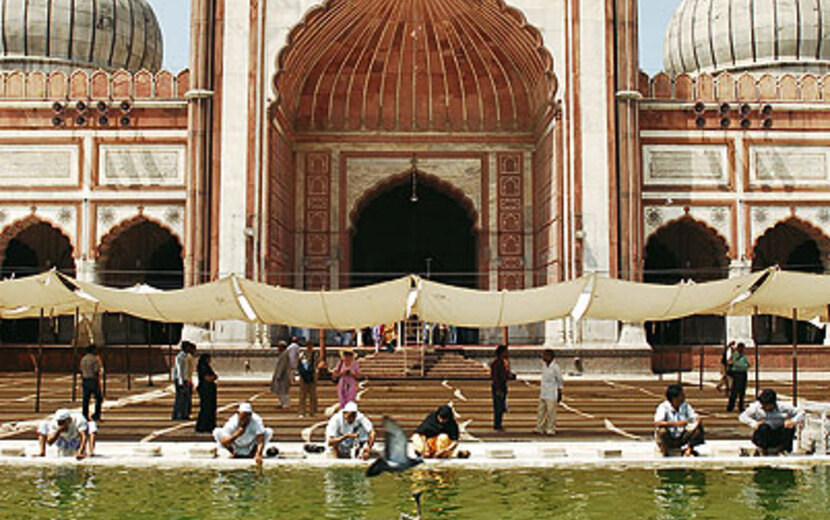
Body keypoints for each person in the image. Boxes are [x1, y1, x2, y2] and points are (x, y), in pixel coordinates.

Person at [740, 389, 805, 455]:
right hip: (764, 434)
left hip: (778, 433)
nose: (763, 406)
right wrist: (754, 423)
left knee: (789, 428)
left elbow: (801, 412)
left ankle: (784, 450)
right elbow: (743, 416)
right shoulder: (756, 407)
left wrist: (793, 421)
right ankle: (763, 449)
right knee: (763, 428)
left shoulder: (782, 407)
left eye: (766, 405)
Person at [653, 384, 705, 457]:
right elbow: (657, 422)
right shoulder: (663, 407)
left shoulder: (685, 406)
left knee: (698, 429)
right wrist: (676, 424)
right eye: (682, 395)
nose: (684, 397)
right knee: (661, 430)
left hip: (682, 435)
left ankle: (689, 449)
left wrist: (697, 421)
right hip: (670, 436)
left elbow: (694, 416)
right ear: (674, 398)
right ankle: (665, 450)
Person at [535, 349, 563, 436]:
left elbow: (560, 380)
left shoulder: (555, 367)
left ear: (550, 357)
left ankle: (550, 429)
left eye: (545, 355)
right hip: (544, 391)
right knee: (541, 411)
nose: (543, 357)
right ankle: (539, 427)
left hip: (552, 392)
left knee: (551, 412)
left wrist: (559, 391)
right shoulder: (544, 366)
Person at [490, 344, 514, 432]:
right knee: (498, 407)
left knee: (500, 406)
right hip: (498, 386)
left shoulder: (503, 362)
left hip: (502, 385)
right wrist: (498, 388)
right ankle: (497, 425)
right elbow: (496, 377)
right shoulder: (497, 363)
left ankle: (498, 424)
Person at [172, 341, 196, 420]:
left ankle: (184, 414)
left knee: (186, 398)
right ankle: (177, 414)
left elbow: (187, 371)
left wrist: (189, 380)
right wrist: (180, 382)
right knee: (180, 398)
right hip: (180, 380)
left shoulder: (186, 356)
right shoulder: (180, 357)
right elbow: (179, 370)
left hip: (185, 379)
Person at [79, 344, 104, 422]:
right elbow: (96, 371)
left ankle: (85, 415)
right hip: (92, 380)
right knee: (98, 398)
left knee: (86, 399)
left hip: (85, 380)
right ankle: (96, 415)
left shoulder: (83, 359)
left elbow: (80, 370)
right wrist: (98, 383)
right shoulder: (94, 359)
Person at [195, 353, 218, 432]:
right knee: (206, 407)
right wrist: (213, 377)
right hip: (206, 389)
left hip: (209, 389)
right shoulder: (203, 367)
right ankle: (203, 426)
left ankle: (209, 425)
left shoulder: (206, 367)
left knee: (210, 407)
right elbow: (207, 378)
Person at [297, 340, 318, 417]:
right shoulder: (302, 354)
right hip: (303, 376)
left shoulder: (315, 354)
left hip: (312, 376)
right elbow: (299, 364)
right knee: (302, 395)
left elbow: (316, 364)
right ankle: (302, 412)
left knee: (312, 395)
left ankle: (312, 411)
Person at [727, 342, 749, 412]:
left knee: (742, 391)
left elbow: (747, 364)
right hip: (737, 374)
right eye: (741, 347)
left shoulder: (744, 356)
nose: (742, 349)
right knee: (735, 391)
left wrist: (745, 366)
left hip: (743, 374)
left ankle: (741, 406)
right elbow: (735, 364)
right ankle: (730, 407)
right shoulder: (735, 355)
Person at [270, 340, 291, 408]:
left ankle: (285, 404)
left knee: (283, 391)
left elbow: (282, 366)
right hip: (282, 376)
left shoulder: (284, 355)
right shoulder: (284, 354)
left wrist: (279, 375)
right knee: (281, 391)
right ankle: (283, 403)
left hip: (283, 377)